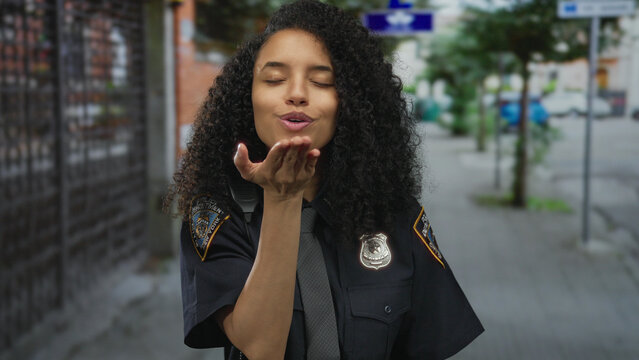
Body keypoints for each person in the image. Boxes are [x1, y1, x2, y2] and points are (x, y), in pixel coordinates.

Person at [166, 1, 483, 359]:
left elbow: (428, 342)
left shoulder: (390, 210)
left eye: (322, 81)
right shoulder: (216, 211)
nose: (297, 93)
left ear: (349, 101)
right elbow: (260, 347)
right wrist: (283, 200)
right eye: (274, 78)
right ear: (247, 95)